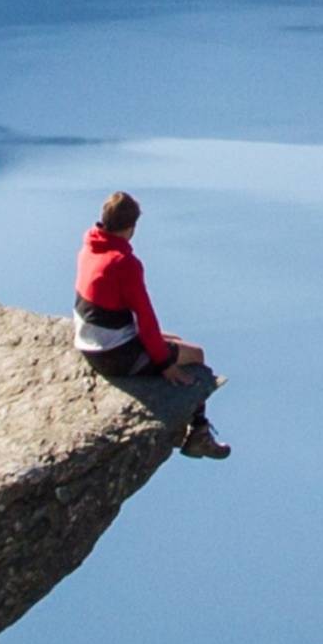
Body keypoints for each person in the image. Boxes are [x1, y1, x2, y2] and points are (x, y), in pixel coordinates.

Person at [74, 191, 227, 456]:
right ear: (132, 227)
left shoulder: (90, 247)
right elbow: (145, 317)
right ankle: (198, 434)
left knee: (173, 339)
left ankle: (191, 429)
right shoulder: (124, 263)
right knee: (195, 355)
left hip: (90, 342)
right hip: (113, 355)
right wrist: (165, 364)